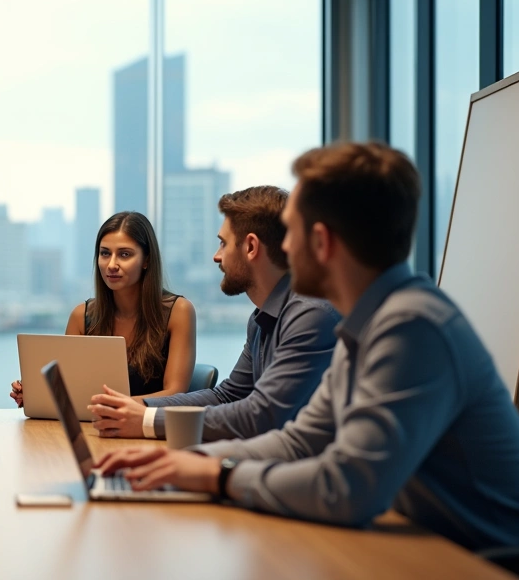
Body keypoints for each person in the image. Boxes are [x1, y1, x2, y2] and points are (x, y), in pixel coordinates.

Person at [96, 142, 519, 551]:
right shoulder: (367, 324)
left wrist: (218, 476)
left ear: (320, 242)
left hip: (502, 565)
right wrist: (186, 461)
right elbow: (300, 440)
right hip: (439, 544)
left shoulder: (412, 327)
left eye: (291, 231)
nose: (284, 247)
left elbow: (347, 487)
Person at [86, 187, 341, 441]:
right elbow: (227, 396)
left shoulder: (311, 315)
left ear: (251, 247)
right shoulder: (261, 320)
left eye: (223, 243)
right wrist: (137, 408)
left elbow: (263, 415)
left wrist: (147, 420)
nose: (216, 256)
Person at [9, 211, 196, 404]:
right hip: (94, 421)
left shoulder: (179, 312)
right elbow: (70, 390)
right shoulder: (81, 316)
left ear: (146, 260)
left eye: (124, 254)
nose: (112, 264)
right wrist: (37, 394)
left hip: (148, 423)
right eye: (105, 253)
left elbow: (175, 393)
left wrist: (113, 406)